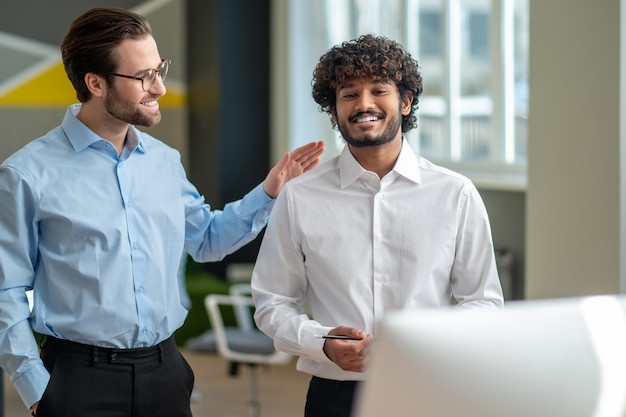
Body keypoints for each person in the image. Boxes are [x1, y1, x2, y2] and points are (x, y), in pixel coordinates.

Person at [0, 7, 324, 417]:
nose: (160, 88)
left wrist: (269, 192)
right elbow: (6, 292)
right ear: (95, 83)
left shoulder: (165, 161)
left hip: (165, 374)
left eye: (160, 70)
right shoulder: (26, 174)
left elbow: (207, 240)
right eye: (143, 77)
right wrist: (36, 389)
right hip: (77, 381)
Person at [251, 34, 504, 417]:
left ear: (405, 101)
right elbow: (272, 301)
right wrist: (321, 342)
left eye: (379, 90)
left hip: (429, 389)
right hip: (335, 396)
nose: (363, 104)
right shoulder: (299, 197)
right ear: (333, 111)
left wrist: (429, 340)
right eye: (348, 94)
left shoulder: (456, 194)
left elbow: (484, 301)